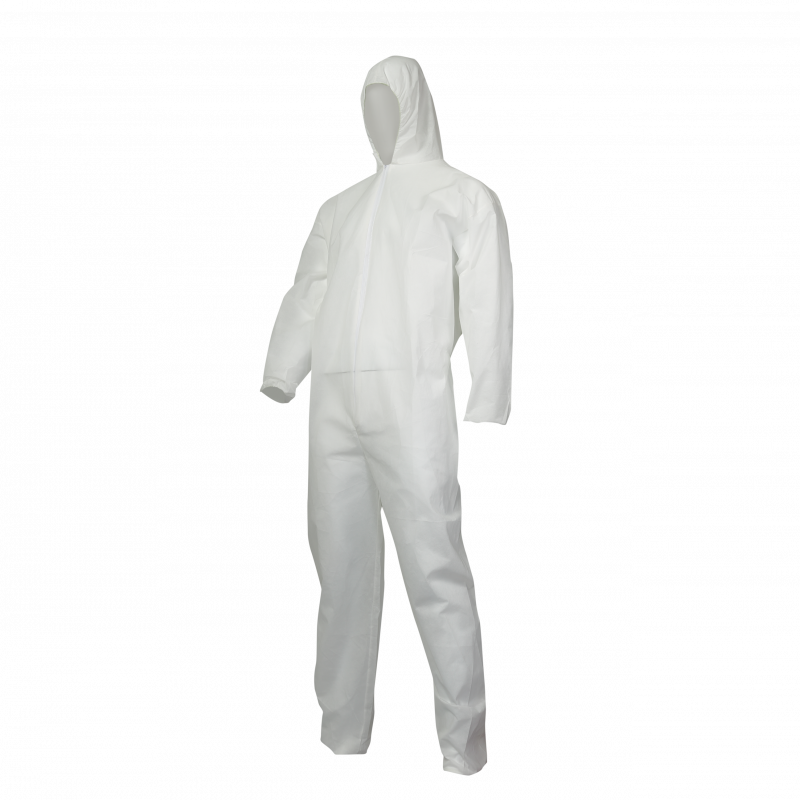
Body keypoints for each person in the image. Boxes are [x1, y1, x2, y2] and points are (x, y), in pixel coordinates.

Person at [260, 54, 513, 776]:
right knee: (340, 573)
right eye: (368, 105)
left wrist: (488, 393)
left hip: (411, 399)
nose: (377, 118)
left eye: (388, 103)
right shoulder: (339, 207)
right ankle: (342, 731)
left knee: (434, 566)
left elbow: (490, 297)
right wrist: (282, 371)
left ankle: (462, 746)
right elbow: (308, 291)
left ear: (415, 107)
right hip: (332, 405)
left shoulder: (462, 196)